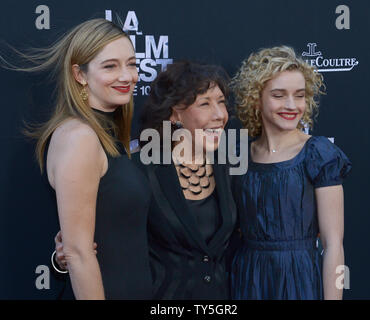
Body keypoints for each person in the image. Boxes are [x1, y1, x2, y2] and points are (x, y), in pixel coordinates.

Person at [54, 61, 238, 299]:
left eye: (221, 102)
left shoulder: (233, 166)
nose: (220, 115)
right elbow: (93, 246)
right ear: (175, 113)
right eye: (205, 104)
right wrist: (63, 257)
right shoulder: (138, 170)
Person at [15, 19, 153, 299]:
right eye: (110, 66)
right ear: (79, 74)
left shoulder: (107, 134)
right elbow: (78, 255)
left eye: (132, 64)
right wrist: (68, 256)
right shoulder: (80, 137)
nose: (127, 76)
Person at [229, 46, 351, 300]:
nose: (291, 105)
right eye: (278, 95)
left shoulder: (319, 153)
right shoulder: (238, 154)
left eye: (299, 95)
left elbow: (333, 246)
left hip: (300, 280)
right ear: (256, 98)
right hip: (248, 280)